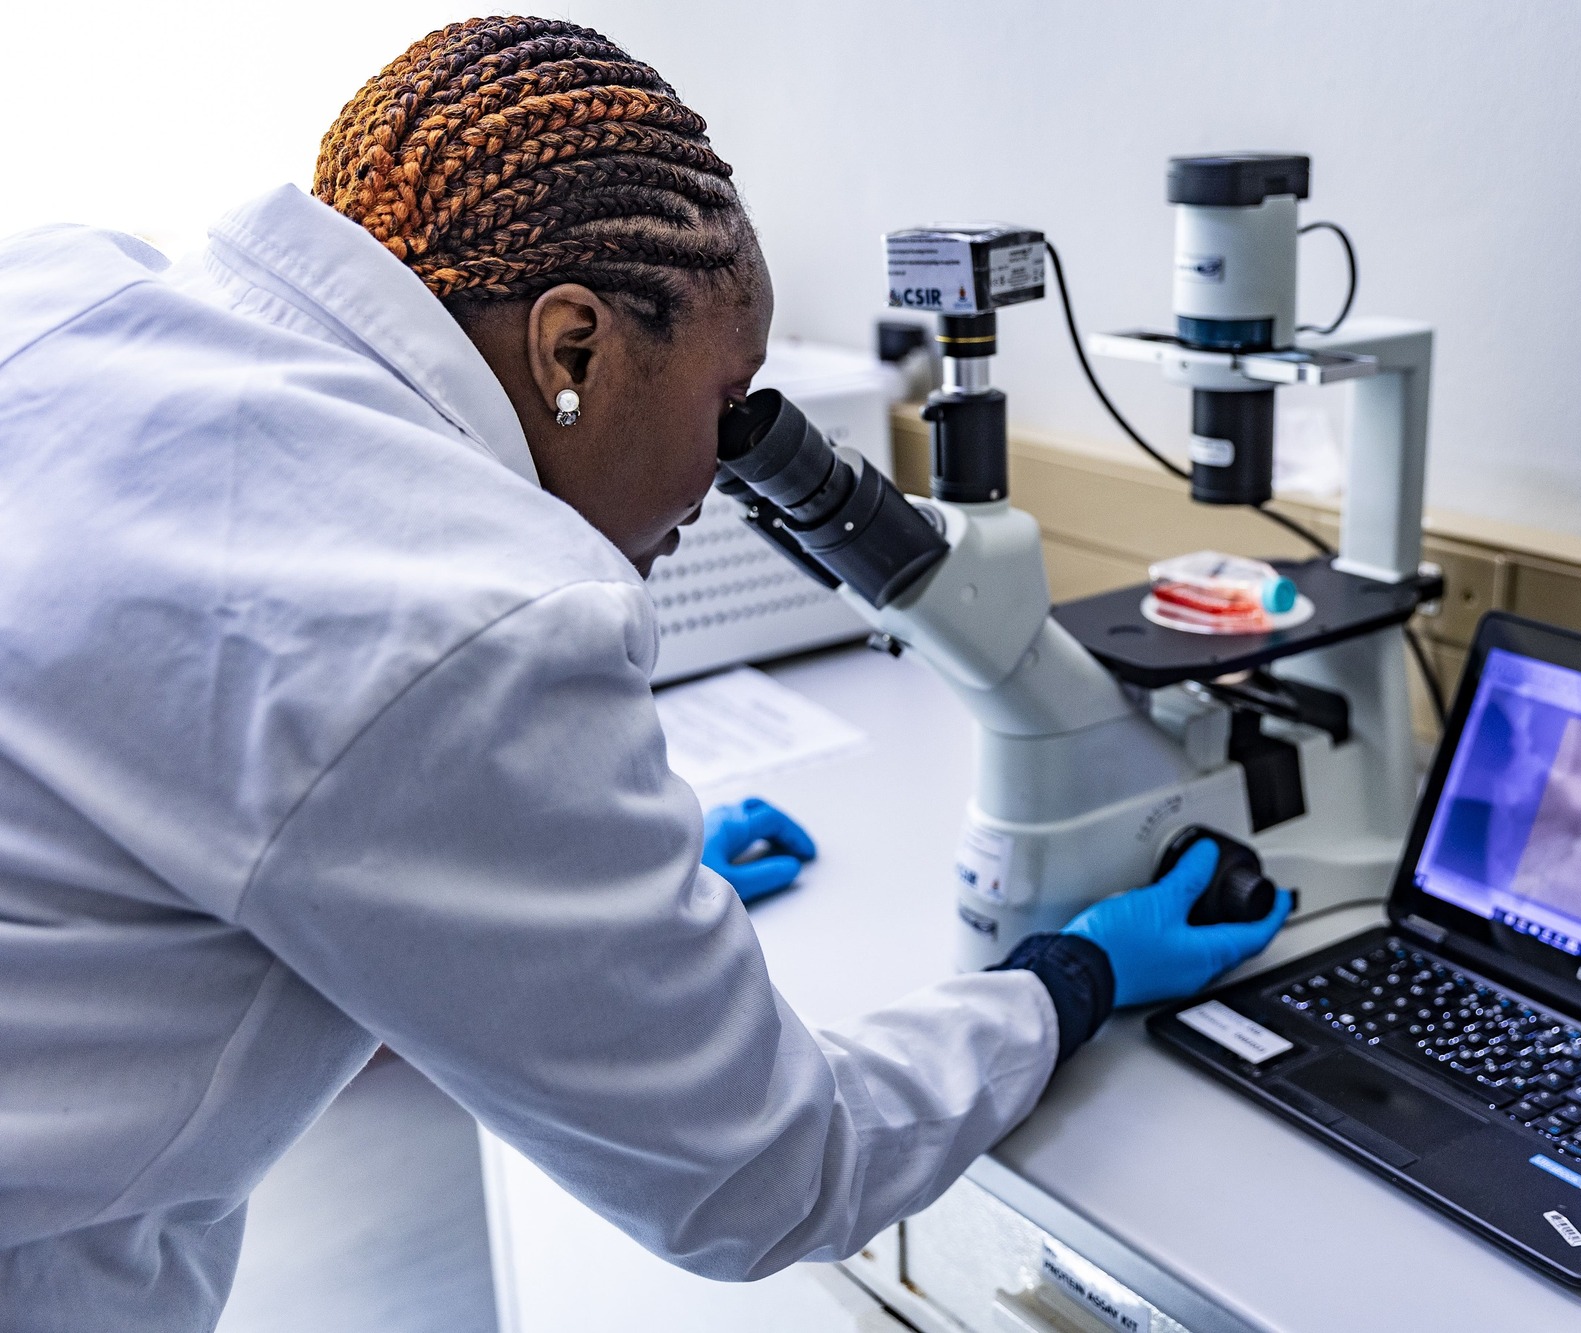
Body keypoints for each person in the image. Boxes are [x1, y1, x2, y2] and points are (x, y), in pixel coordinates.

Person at [0, 17, 1290, 1330]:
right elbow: (775, 1171)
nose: (725, 470)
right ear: (573, 349)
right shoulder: (473, 612)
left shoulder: (65, 293)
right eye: (727, 402)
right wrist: (1066, 980)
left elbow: (151, 877)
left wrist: (547, 915)